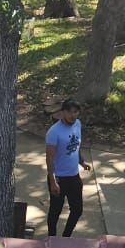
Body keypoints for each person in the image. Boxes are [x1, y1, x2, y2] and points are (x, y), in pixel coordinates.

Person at [46, 97, 84, 236]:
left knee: (77, 210)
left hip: (74, 176)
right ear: (62, 113)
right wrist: (53, 181)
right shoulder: (54, 132)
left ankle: (66, 237)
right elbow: (49, 157)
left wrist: (81, 160)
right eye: (69, 112)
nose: (73, 115)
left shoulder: (78, 124)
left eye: (76, 112)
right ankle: (52, 238)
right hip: (59, 178)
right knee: (55, 211)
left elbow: (77, 144)